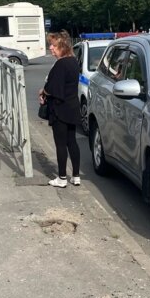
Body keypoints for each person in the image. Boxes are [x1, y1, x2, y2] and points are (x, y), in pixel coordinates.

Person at [39, 31, 83, 188]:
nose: (50, 48)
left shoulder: (60, 64)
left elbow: (54, 89)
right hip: (72, 106)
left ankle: (62, 178)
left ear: (62, 47)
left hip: (60, 109)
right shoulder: (73, 61)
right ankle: (76, 176)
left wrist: (43, 92)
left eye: (53, 45)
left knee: (60, 144)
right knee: (72, 142)